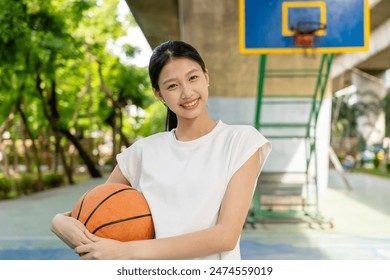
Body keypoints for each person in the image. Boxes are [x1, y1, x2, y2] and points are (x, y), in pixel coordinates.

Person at [51, 40, 271, 260]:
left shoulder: (240, 141)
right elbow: (96, 213)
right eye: (172, 86)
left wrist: (127, 252)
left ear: (206, 76)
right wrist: (59, 221)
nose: (187, 92)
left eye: (193, 78)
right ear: (159, 95)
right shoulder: (142, 152)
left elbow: (225, 236)